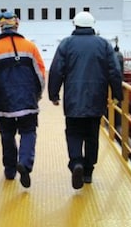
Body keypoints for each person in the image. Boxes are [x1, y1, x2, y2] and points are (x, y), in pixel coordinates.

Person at [48, 11, 123, 189]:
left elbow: (57, 70)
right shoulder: (103, 44)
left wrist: (53, 94)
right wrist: (118, 95)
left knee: (73, 133)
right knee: (92, 135)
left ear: (75, 24)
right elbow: (114, 71)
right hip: (97, 99)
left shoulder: (66, 44)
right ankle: (88, 171)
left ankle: (76, 163)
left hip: (73, 99)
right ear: (92, 25)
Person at [0, 11, 46, 188]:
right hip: (27, 101)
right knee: (28, 132)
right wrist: (38, 94)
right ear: (17, 25)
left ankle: (9, 170)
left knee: (7, 135)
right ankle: (25, 162)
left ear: (0, 26)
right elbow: (40, 74)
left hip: (4, 103)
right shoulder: (30, 47)